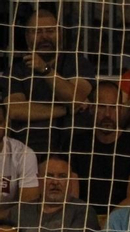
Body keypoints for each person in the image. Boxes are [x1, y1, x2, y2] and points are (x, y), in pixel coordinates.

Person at [5, 7, 92, 155]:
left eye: (50, 31)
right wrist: (65, 110)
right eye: (37, 32)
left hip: (75, 148)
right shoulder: (16, 70)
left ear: (60, 34)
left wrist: (45, 70)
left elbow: (75, 99)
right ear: (27, 37)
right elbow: (14, 110)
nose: (44, 37)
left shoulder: (78, 63)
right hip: (28, 150)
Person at [66, 84, 130, 222]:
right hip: (84, 219)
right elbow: (73, 195)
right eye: (101, 107)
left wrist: (110, 221)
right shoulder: (76, 143)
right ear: (92, 109)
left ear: (121, 109)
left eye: (113, 107)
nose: (107, 114)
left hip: (123, 220)